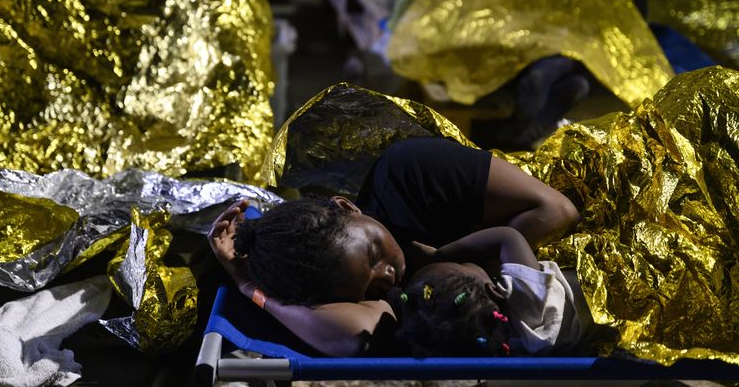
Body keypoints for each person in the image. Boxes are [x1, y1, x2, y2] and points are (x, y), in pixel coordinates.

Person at [208, 136, 579, 357]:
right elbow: (349, 337)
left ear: (346, 206)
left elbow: (557, 210)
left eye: (373, 252)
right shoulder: (373, 291)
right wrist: (248, 287)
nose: (388, 274)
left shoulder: (409, 174)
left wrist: (458, 267)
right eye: (369, 287)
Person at [386, 225, 609, 358]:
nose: (469, 263)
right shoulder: (527, 299)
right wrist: (440, 255)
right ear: (495, 290)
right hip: (596, 287)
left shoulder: (507, 345)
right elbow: (507, 237)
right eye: (463, 266)